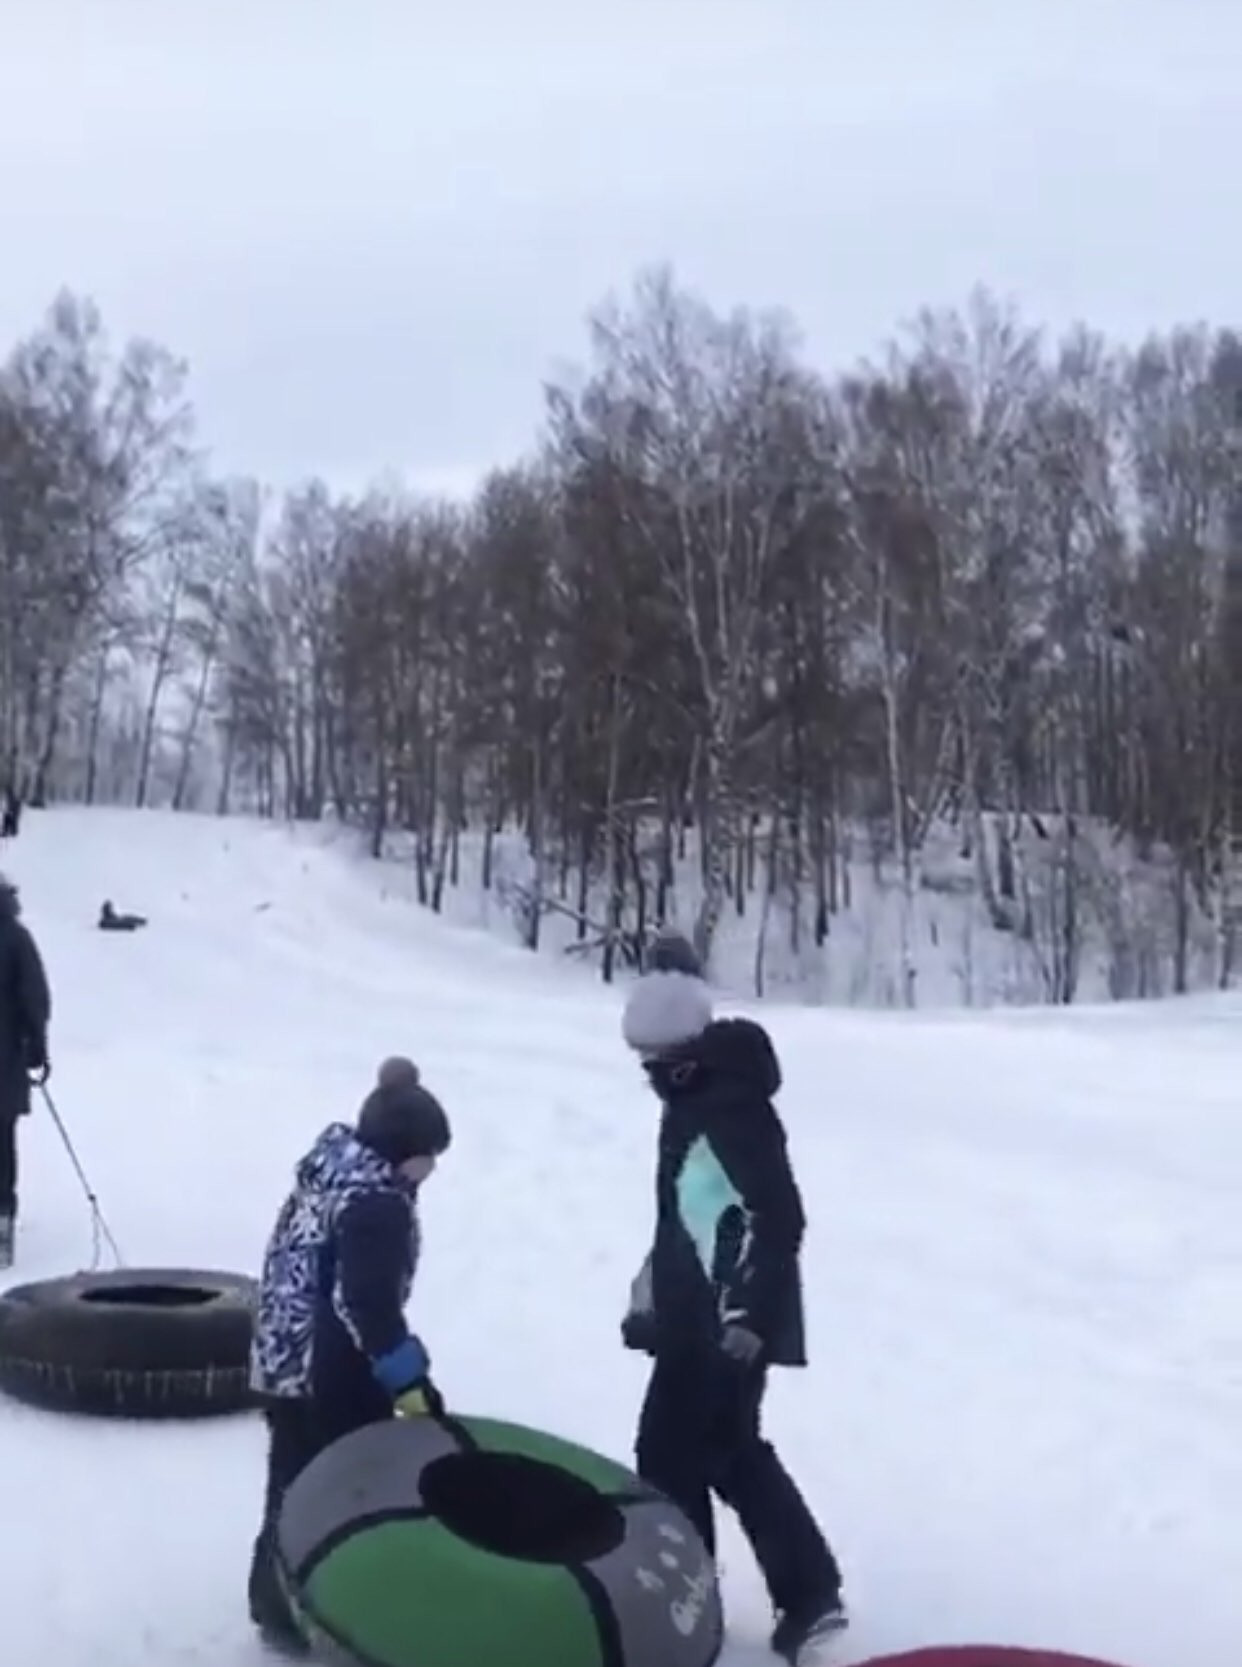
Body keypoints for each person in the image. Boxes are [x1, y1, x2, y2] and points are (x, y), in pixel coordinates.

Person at [620, 931, 846, 1667]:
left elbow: (776, 1217)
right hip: (699, 1316)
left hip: (729, 1321)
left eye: (657, 1065)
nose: (650, 1077)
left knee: (674, 1450)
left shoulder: (729, 1105)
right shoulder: (689, 1100)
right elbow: (686, 1215)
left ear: (684, 1053)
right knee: (726, 1449)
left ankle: (689, 1606)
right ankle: (806, 1596)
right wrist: (650, 1296)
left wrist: (747, 1314)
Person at [247, 1056, 452, 1655]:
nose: (433, 1167)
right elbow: (365, 1307)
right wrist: (409, 1383)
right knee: (346, 1490)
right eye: (429, 1154)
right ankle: (333, 1604)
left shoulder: (328, 1173)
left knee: (291, 1480)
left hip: (282, 1355)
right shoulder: (377, 1206)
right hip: (332, 1373)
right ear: (403, 1149)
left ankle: (274, 1599)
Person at [0, 875, 52, 1269]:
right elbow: (35, 998)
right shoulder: (17, 939)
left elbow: (34, 998)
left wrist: (34, 1044)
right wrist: (36, 1045)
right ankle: (2, 1216)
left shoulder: (14, 940)